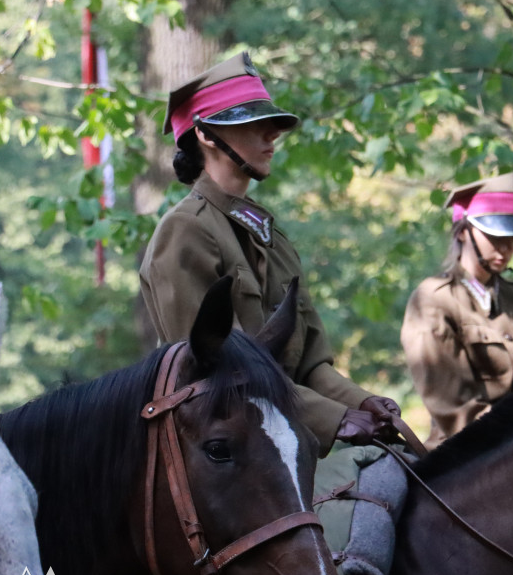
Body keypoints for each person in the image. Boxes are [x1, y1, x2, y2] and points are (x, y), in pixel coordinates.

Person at [139, 51, 403, 453]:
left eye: (272, 125)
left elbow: (312, 365)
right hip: (223, 454)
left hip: (286, 438)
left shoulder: (269, 235)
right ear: (207, 135)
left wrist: (361, 402)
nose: (272, 136)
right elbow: (220, 372)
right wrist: (334, 418)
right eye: (253, 124)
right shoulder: (185, 230)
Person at [401, 171, 513, 449]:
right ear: (463, 232)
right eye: (495, 235)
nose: (506, 247)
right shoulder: (432, 301)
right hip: (466, 455)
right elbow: (450, 407)